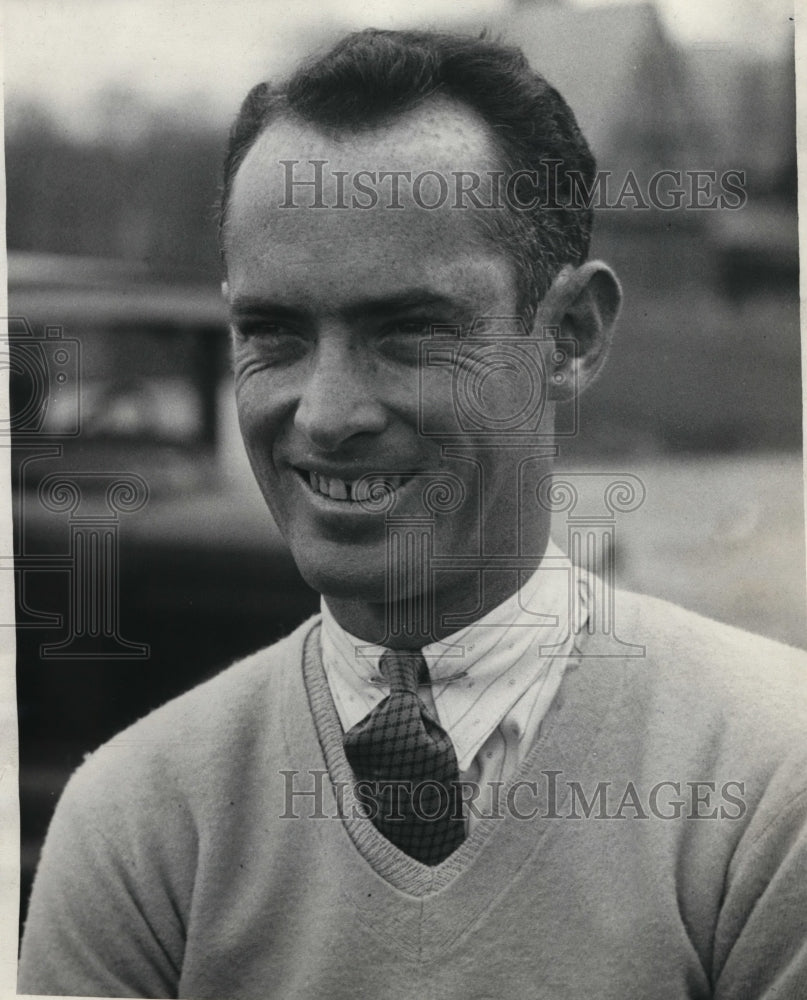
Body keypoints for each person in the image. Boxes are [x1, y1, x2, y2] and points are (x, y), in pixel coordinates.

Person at [18, 28, 807, 999]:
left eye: (409, 331)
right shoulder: (137, 821)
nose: (326, 414)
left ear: (569, 335)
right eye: (274, 335)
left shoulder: (772, 774)